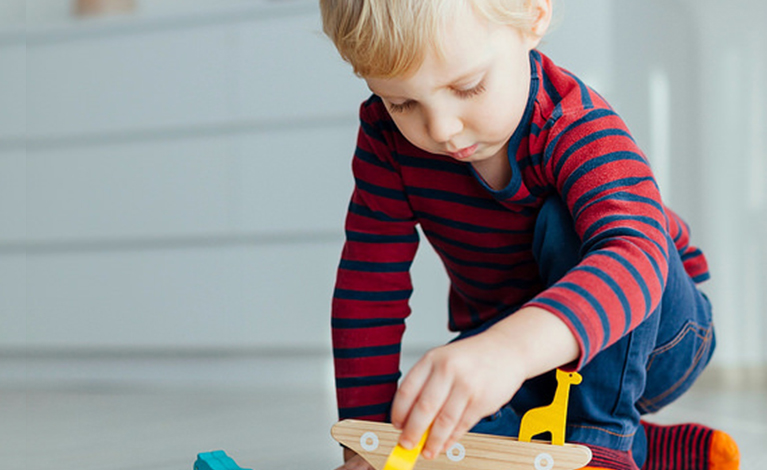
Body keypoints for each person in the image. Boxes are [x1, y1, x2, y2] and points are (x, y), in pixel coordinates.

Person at [319, 1, 740, 469]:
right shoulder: (385, 139)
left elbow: (634, 253)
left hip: (657, 332)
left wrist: (510, 351)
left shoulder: (574, 123)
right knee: (439, 428)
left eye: (467, 86)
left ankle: (603, 437)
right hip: (519, 354)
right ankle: (647, 449)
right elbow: (369, 286)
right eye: (402, 102)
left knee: (562, 220)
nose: (441, 128)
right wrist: (367, 443)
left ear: (532, 18)